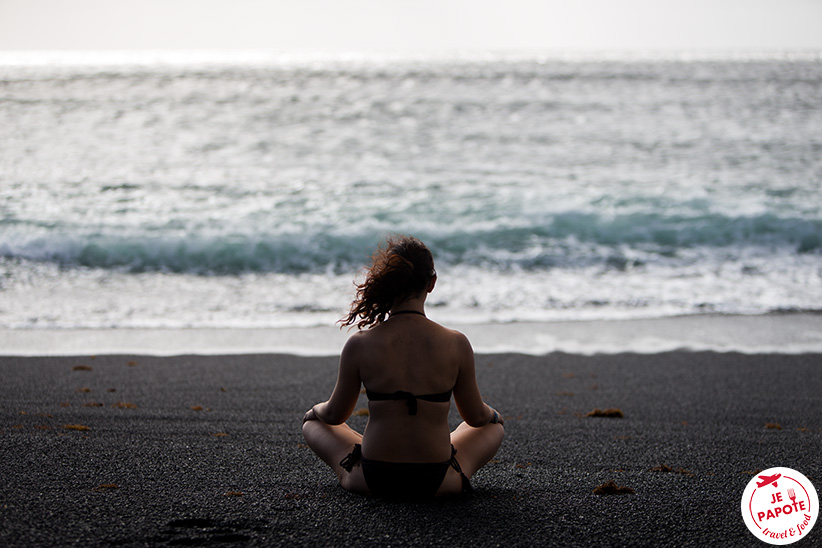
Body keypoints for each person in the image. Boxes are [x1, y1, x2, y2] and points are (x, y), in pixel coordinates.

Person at [302, 235, 504, 499]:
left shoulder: (360, 344)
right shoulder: (456, 343)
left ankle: (357, 464)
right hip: (437, 481)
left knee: (313, 424)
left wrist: (314, 411)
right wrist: (494, 415)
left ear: (387, 281)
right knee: (493, 426)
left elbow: (334, 416)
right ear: (431, 283)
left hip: (373, 479)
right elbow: (476, 417)